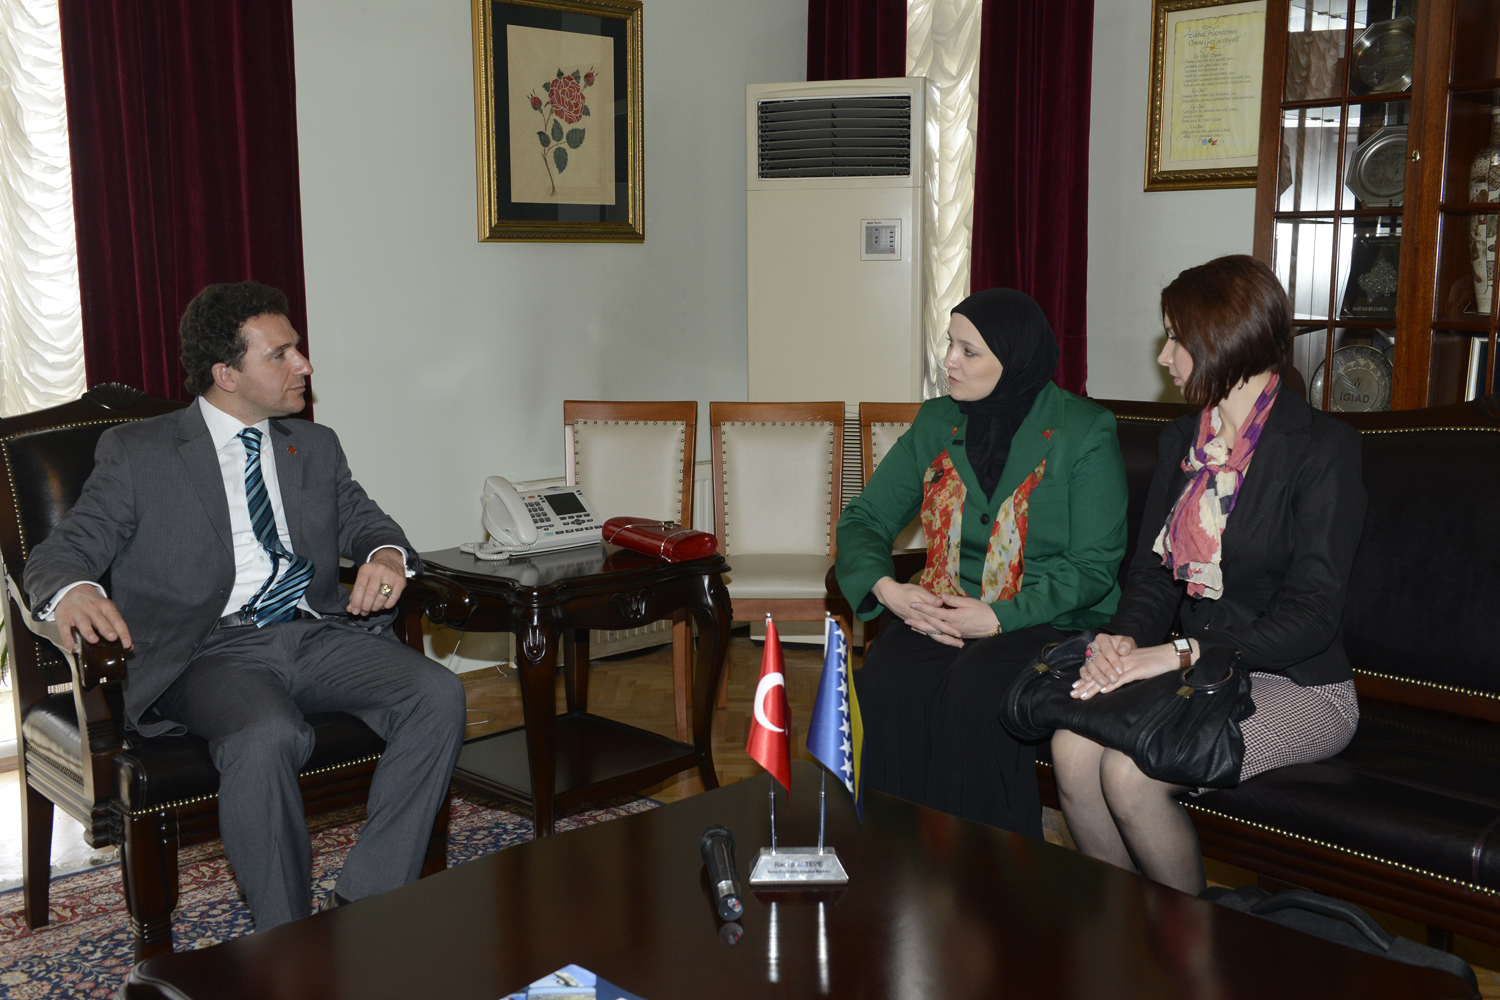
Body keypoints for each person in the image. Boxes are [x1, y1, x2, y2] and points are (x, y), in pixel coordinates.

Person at [24, 282, 467, 930]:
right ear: (226, 374)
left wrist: (386, 556)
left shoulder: (314, 446)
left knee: (438, 694)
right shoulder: (139, 453)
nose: (304, 364)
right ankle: (285, 939)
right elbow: (61, 554)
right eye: (280, 354)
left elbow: (369, 523)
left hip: (315, 635)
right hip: (210, 652)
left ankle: (365, 906)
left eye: (298, 348)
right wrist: (78, 589)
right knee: (266, 735)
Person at [1051, 255, 1366, 894]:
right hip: (1199, 669)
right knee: (1070, 748)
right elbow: (1151, 575)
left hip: (1298, 684)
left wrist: (1178, 654)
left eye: (1177, 339)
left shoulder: (1322, 450)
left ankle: (1189, 946)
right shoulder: (1184, 442)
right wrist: (1122, 641)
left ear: (1225, 342)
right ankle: (1119, 936)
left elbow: (1312, 616)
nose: (1164, 357)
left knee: (1130, 774)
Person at [836, 289, 1128, 836]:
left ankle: (982, 868)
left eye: (969, 351)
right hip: (947, 607)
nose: (948, 360)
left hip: (1049, 617)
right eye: (950, 343)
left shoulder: (1084, 430)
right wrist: (889, 590)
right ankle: (893, 852)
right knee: (889, 674)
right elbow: (864, 519)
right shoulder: (937, 421)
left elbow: (1093, 567)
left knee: (975, 689)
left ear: (1013, 359)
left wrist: (997, 618)